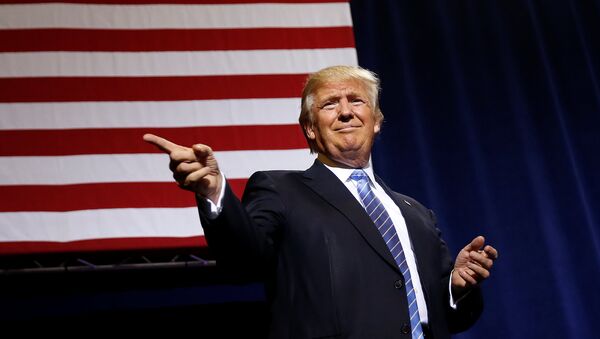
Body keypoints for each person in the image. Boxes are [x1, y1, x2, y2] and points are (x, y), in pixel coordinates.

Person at [144, 65, 498, 338]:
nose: (346, 112)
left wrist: (455, 288)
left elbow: (449, 317)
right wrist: (213, 191)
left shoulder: (416, 213)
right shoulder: (280, 189)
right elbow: (242, 260)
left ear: (376, 122)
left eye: (356, 101)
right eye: (331, 104)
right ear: (310, 128)